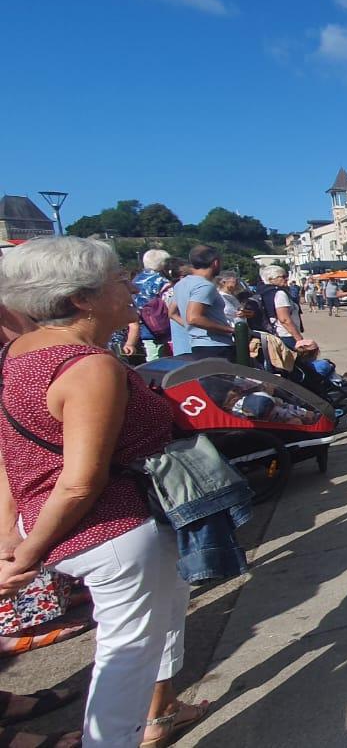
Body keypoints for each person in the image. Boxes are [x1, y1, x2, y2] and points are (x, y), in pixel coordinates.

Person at [0, 237, 209, 747]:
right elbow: (80, 482)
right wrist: (25, 556)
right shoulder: (88, 367)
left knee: (160, 616)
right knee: (126, 660)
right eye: (119, 279)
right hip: (110, 527)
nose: (132, 288)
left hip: (59, 519)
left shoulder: (17, 353)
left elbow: (12, 457)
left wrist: (12, 533)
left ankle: (161, 714)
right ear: (81, 298)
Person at [172, 246, 235, 361]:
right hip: (216, 346)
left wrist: (190, 328)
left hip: (197, 345)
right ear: (215, 263)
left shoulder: (181, 284)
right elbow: (194, 318)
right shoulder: (205, 285)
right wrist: (230, 330)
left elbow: (172, 313)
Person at [127, 249, 172, 364]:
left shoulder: (136, 280)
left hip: (144, 325)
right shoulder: (162, 280)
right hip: (162, 324)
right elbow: (169, 302)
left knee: (153, 357)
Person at [259, 265, 314, 352]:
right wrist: (299, 339)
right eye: (283, 277)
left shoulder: (265, 292)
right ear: (271, 279)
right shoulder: (280, 294)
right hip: (286, 335)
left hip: (275, 334)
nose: (287, 279)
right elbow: (284, 319)